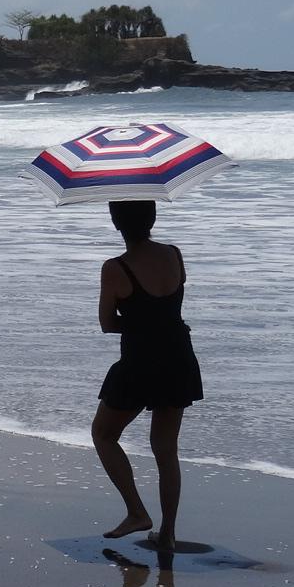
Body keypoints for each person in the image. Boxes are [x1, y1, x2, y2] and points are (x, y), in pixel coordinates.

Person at [92, 199, 202, 552]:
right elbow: (169, 306)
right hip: (178, 356)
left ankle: (137, 512)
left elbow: (108, 323)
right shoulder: (174, 254)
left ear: (115, 223)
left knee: (104, 434)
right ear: (152, 217)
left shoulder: (115, 267)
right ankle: (167, 534)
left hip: (140, 361)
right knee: (166, 450)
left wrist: (138, 325)